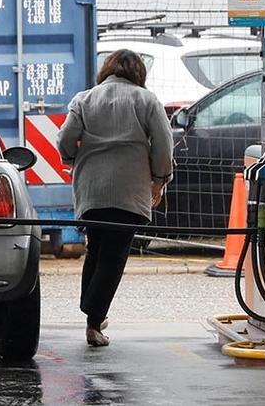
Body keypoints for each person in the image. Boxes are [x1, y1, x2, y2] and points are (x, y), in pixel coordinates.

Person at [56, 48, 173, 347]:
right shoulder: (146, 100)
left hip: (91, 189)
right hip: (129, 189)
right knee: (114, 254)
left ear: (107, 70)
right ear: (138, 74)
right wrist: (159, 180)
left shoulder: (85, 98)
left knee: (96, 249)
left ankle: (91, 311)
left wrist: (71, 158)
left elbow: (66, 138)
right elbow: (163, 144)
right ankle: (94, 319)